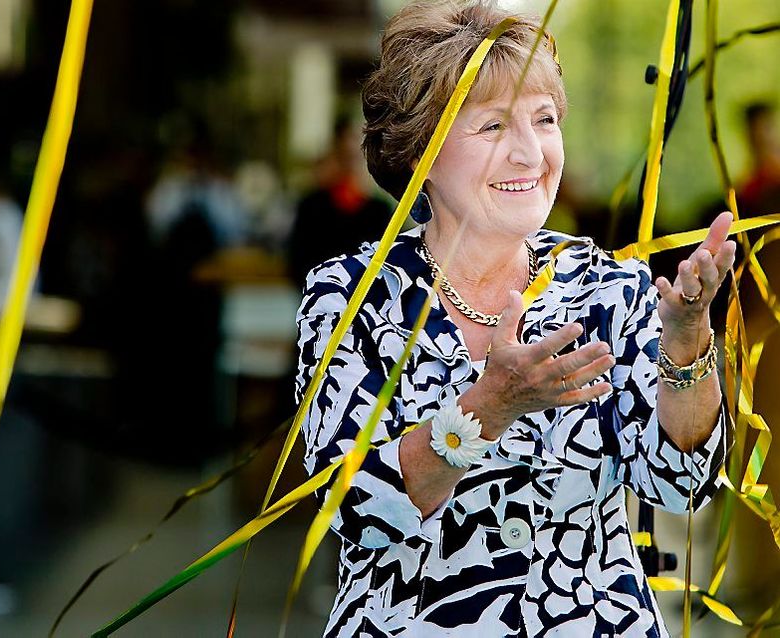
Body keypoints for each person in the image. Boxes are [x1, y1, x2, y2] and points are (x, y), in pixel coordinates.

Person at [295, 3, 734, 635]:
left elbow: (681, 481)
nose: (530, 154)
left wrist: (688, 343)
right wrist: (489, 406)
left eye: (545, 120)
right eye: (494, 127)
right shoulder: (353, 295)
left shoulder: (610, 287)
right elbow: (351, 505)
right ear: (421, 148)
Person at [287, 119, 392, 286]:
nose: (350, 167)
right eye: (345, 158)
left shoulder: (379, 211)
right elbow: (297, 262)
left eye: (355, 159)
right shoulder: (312, 207)